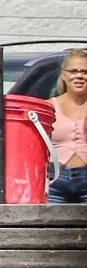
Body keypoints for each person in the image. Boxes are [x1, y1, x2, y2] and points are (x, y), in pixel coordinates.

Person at [48, 48, 87, 204]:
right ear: (64, 75)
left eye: (85, 72)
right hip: (56, 179)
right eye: (73, 71)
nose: (79, 76)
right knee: (51, 227)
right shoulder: (48, 106)